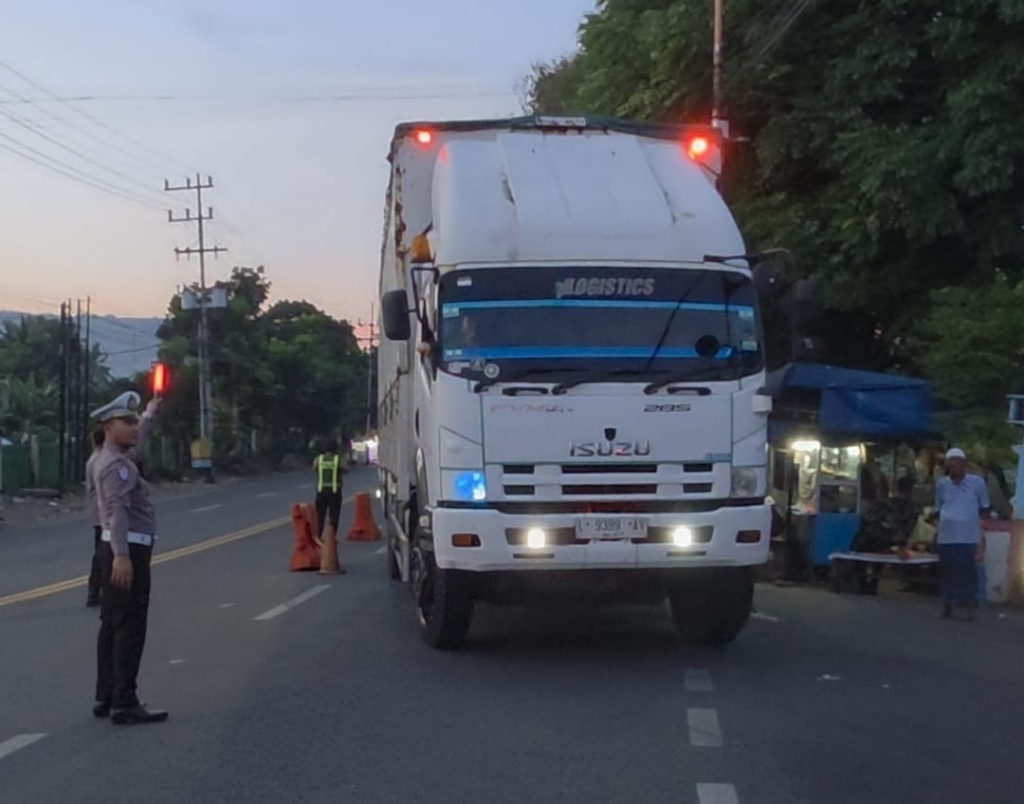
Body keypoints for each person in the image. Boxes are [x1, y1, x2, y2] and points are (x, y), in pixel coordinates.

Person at [92, 390, 168, 725]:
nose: (135, 427)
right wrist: (123, 556)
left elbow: (136, 446)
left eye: (137, 421)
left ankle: (107, 695)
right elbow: (118, 511)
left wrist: (150, 414)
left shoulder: (104, 457)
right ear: (108, 426)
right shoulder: (116, 467)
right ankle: (125, 700)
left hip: (113, 547)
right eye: (128, 422)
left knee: (112, 624)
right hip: (128, 550)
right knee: (130, 626)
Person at [933, 447, 990, 621]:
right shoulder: (942, 484)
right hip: (947, 535)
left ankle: (970, 607)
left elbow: (985, 507)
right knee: (947, 570)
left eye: (958, 462)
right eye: (951, 463)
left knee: (967, 571)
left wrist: (980, 529)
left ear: (964, 464)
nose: (954, 465)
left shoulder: (977, 483)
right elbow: (937, 507)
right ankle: (947, 605)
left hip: (968, 535)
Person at [84, 427, 107, 607]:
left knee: (101, 553)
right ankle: (95, 591)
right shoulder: (99, 460)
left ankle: (97, 591)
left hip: (99, 514)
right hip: (103, 515)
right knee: (102, 555)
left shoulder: (95, 458)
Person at [313, 438, 344, 539]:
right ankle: (331, 537)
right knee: (334, 515)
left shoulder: (319, 459)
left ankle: (318, 536)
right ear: (335, 449)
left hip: (321, 491)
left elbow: (314, 468)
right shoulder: (338, 459)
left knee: (319, 516)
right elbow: (346, 469)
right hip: (335, 491)